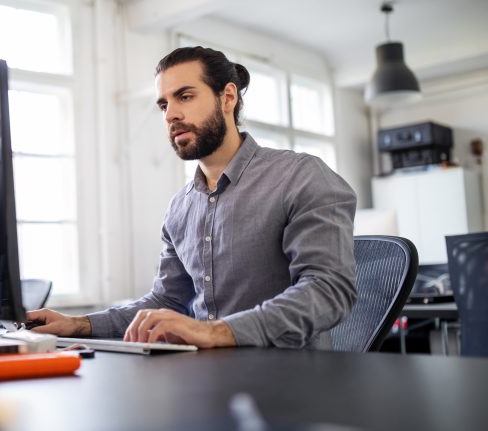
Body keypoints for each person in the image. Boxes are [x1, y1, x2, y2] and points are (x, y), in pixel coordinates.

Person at [26, 46, 357, 349]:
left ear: (227, 98)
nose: (170, 114)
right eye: (163, 104)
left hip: (289, 382)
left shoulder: (300, 176)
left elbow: (328, 290)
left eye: (184, 96)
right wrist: (79, 324)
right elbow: (168, 300)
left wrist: (216, 332)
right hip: (205, 379)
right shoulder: (179, 208)